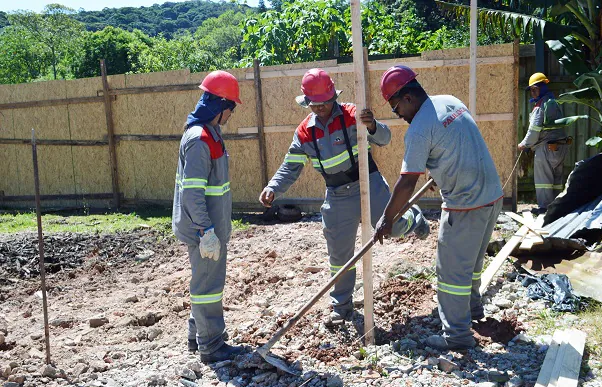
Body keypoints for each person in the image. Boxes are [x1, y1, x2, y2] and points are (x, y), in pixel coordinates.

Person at [259, 68, 429, 326]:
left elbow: (385, 138)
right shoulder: (304, 132)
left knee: (393, 228)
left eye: (325, 103)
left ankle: (413, 219)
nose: (320, 108)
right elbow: (290, 166)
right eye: (315, 105)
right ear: (307, 103)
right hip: (337, 194)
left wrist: (371, 125)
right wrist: (273, 187)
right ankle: (341, 305)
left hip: (367, 182)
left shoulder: (353, 115)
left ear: (334, 98)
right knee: (340, 255)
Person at [374, 65, 503, 351]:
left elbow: (406, 184)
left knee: (450, 273)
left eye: (396, 108)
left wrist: (387, 218)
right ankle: (473, 312)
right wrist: (441, 172)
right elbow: (457, 144)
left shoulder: (419, 129)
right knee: (470, 265)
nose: (398, 115)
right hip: (492, 196)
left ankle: (457, 337)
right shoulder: (450, 102)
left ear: (407, 97)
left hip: (465, 205)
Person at [172, 70, 246, 363]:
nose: (231, 114)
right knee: (207, 286)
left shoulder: (209, 133)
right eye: (232, 107)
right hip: (205, 229)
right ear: (221, 106)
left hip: (210, 227)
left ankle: (197, 336)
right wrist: (206, 231)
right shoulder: (200, 139)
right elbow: (192, 194)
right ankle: (212, 345)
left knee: (204, 281)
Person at [518, 72, 571, 214]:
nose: (533, 93)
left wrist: (524, 144)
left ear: (543, 87)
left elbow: (533, 132)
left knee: (543, 180)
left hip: (546, 148)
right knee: (556, 180)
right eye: (531, 90)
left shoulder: (540, 107)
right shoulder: (553, 102)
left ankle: (544, 208)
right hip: (560, 147)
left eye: (535, 89)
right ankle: (556, 207)